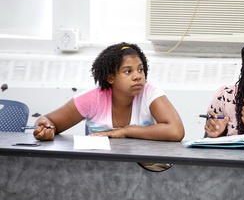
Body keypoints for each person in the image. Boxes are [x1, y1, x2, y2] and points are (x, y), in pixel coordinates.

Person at [33, 42, 185, 141]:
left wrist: (126, 131)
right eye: (128, 71)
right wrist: (45, 129)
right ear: (111, 78)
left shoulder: (149, 92)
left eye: (141, 69)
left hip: (141, 168)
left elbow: (176, 131)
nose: (138, 76)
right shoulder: (93, 98)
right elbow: (47, 121)